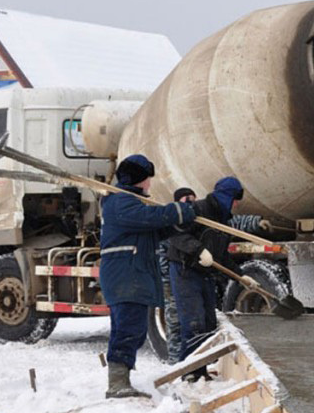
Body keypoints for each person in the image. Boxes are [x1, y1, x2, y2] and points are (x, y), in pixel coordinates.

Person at [99, 154, 196, 398]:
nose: (150, 184)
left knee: (131, 328)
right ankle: (117, 383)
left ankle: (120, 380)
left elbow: (153, 229)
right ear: (138, 179)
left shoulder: (128, 204)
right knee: (128, 328)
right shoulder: (122, 203)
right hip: (125, 276)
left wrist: (180, 221)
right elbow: (151, 218)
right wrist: (179, 210)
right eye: (148, 179)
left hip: (130, 275)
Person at [166, 176, 257, 377]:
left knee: (208, 324)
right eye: (235, 200)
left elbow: (222, 256)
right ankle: (189, 372)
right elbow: (175, 233)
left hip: (204, 274)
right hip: (184, 270)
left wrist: (242, 277)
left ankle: (200, 371)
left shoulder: (223, 220)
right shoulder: (197, 209)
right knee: (193, 322)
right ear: (226, 196)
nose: (236, 204)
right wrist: (198, 250)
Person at [156, 187, 197, 363]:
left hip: (183, 277)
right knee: (174, 321)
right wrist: (168, 275)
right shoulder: (170, 220)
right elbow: (160, 252)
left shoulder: (190, 218)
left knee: (187, 319)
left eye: (193, 198)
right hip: (170, 280)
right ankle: (174, 359)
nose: (191, 202)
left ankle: (186, 360)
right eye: (187, 199)